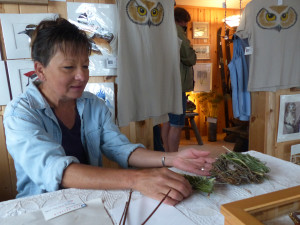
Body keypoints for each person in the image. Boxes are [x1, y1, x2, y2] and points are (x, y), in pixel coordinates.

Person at [3, 17, 215, 206]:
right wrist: (137, 179)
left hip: (90, 201)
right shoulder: (20, 113)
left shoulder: (92, 104)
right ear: (40, 70)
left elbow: (120, 148)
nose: (81, 76)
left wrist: (173, 158)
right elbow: (55, 169)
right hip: (42, 208)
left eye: (85, 66)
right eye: (69, 67)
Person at [162, 7, 197, 152]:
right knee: (176, 124)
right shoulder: (178, 31)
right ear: (181, 20)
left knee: (167, 122)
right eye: (185, 23)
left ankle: (166, 155)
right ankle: (173, 157)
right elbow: (189, 58)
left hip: (165, 83)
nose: (186, 26)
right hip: (177, 85)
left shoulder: (164, 29)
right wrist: (193, 52)